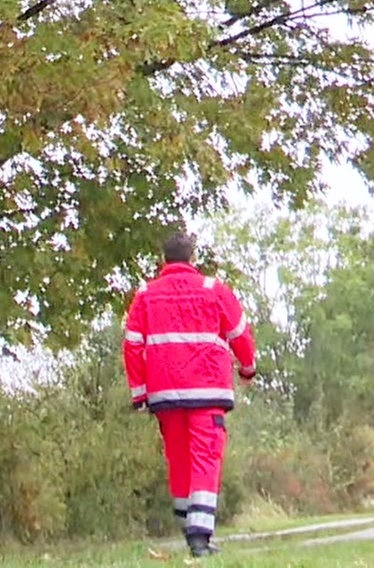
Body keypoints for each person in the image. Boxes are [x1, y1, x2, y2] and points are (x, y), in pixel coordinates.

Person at [122, 232, 257, 558]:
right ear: (193, 257)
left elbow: (132, 343)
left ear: (164, 259)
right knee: (205, 459)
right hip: (207, 391)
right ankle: (200, 538)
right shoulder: (214, 290)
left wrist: (140, 393)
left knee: (179, 461)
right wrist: (248, 368)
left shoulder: (145, 295)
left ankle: (190, 529)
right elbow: (240, 333)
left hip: (165, 394)